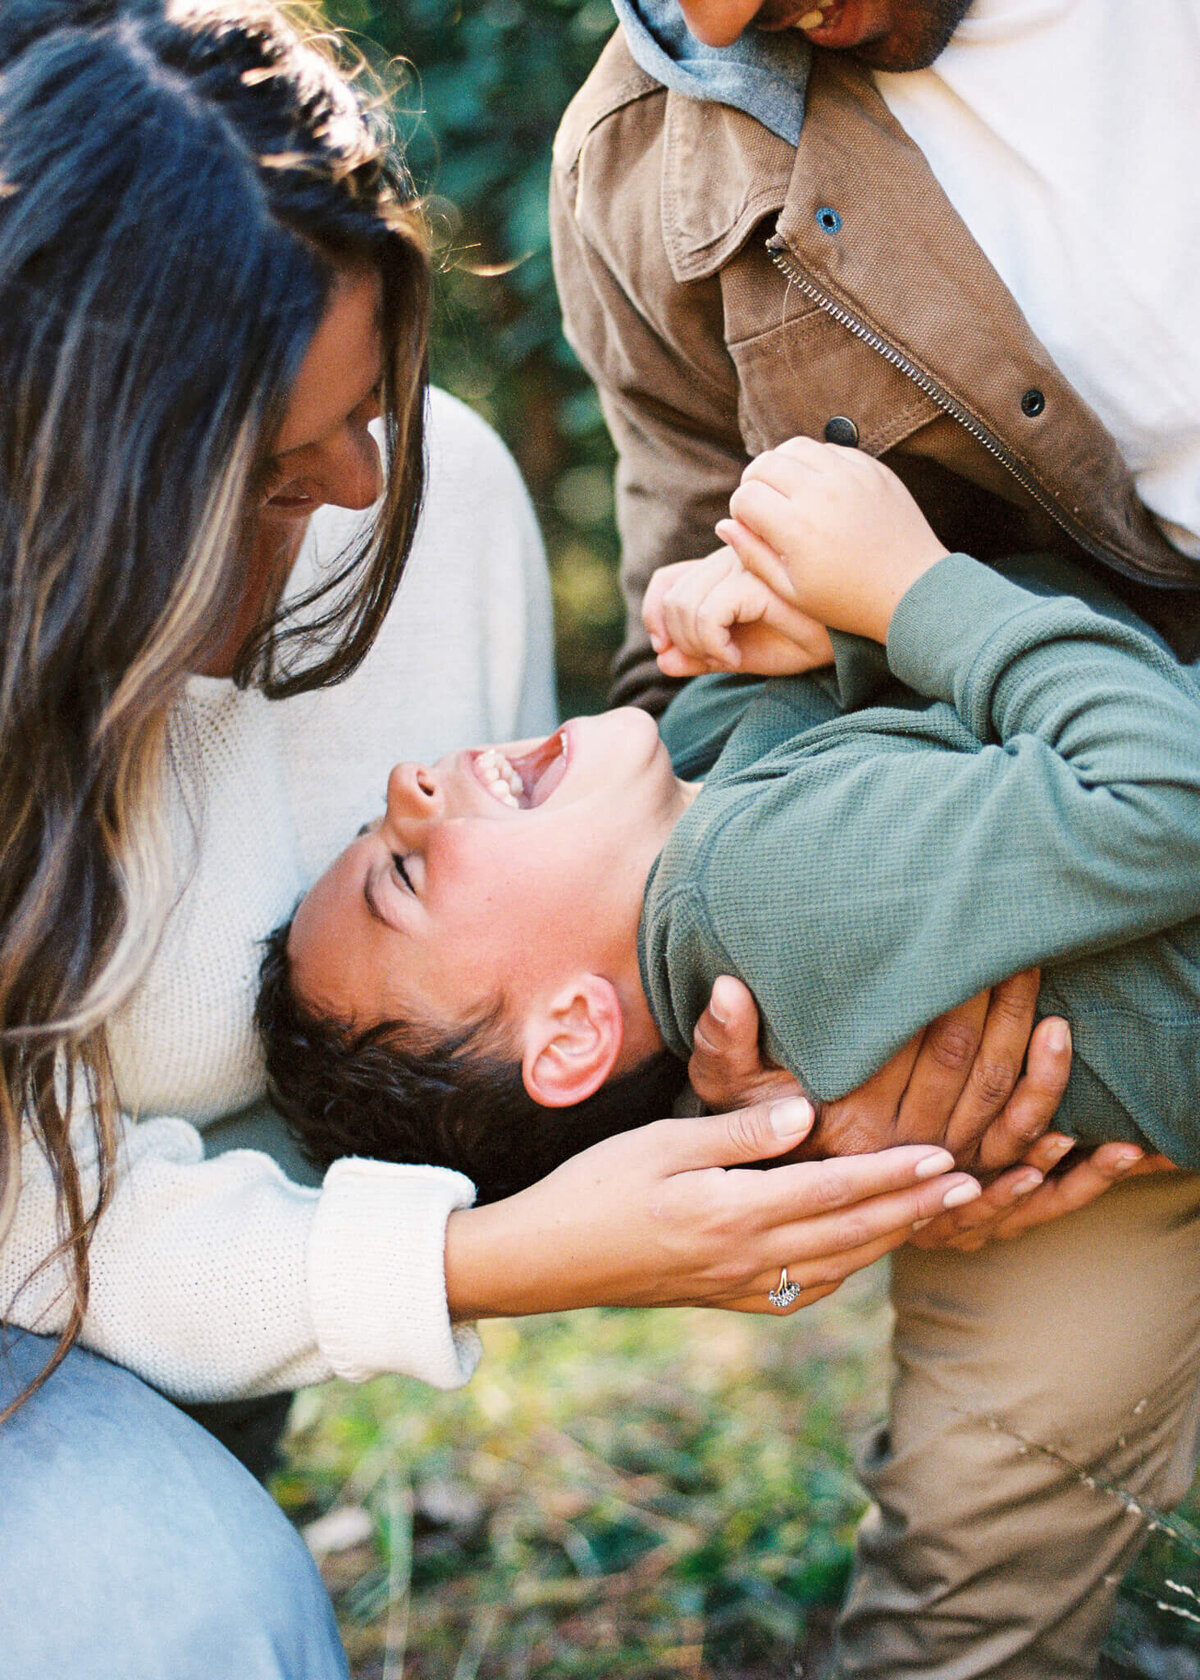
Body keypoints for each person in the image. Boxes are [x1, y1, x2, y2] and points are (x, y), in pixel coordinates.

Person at [0, 6, 1089, 1676]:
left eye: (373, 402)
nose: (368, 490)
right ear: (81, 494)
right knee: (179, 1626)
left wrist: (816, 1105)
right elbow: (31, 1221)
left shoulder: (434, 520)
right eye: (277, 481)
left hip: (198, 1337)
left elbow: (518, 1017)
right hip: (40, 1310)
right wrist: (498, 1264)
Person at [549, 0, 1200, 1672]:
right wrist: (788, 1082)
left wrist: (906, 604)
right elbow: (684, 664)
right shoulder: (648, 169)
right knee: (970, 1581)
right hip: (1070, 980)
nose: (738, 25)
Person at [261, 441, 1200, 1202]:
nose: (404, 788)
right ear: (572, 1034)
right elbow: (1166, 796)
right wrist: (909, 590)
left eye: (372, 828)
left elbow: (1097, 656)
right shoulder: (752, 894)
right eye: (404, 875)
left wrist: (842, 629)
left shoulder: (702, 762)